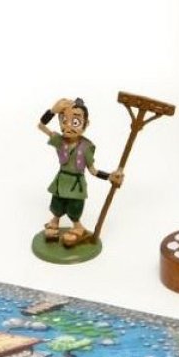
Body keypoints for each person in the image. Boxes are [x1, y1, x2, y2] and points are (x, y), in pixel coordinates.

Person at [37, 98, 123, 247]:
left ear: (85, 124)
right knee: (57, 204)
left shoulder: (86, 147)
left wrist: (109, 176)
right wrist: (52, 111)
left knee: (74, 208)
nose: (68, 126)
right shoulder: (59, 141)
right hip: (61, 181)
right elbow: (41, 126)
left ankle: (78, 227)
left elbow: (93, 170)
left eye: (75, 122)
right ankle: (55, 221)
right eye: (64, 120)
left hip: (76, 185)